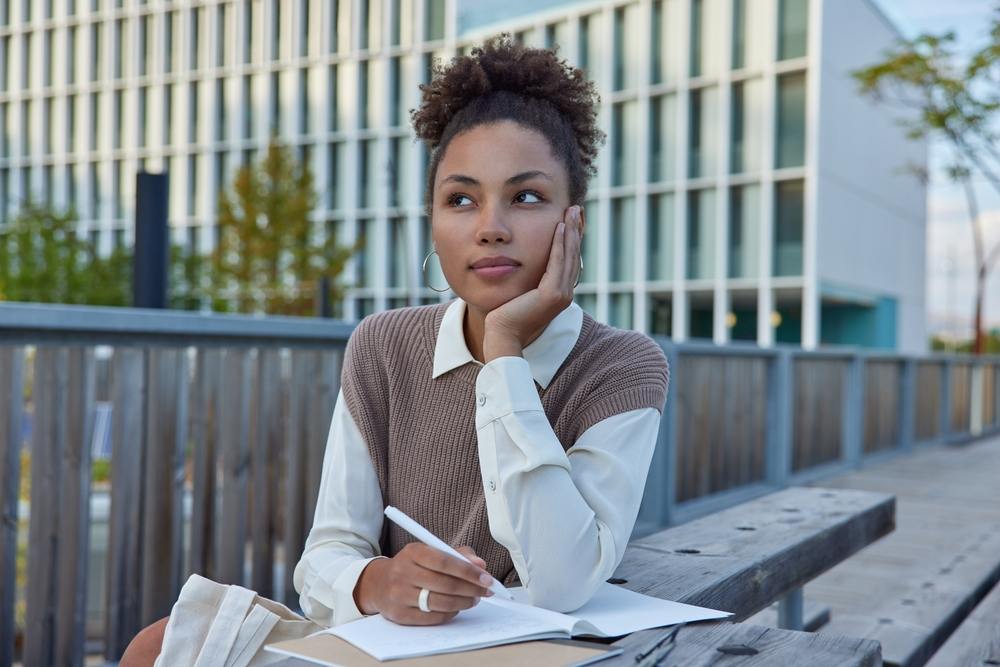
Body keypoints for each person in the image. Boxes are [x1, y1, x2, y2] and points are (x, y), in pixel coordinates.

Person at [120, 32, 669, 666]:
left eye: (526, 196)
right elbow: (327, 552)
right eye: (460, 199)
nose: (490, 226)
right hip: (391, 643)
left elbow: (563, 583)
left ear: (574, 220)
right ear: (434, 222)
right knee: (160, 646)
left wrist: (506, 356)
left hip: (530, 651)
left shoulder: (623, 365)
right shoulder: (384, 346)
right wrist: (375, 582)